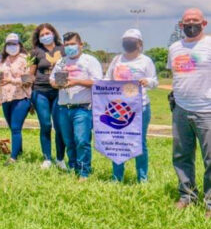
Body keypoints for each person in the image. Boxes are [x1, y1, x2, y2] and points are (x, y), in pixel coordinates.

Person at [167, 8, 211, 219]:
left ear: (204, 24)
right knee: (181, 155)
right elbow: (175, 76)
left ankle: (210, 202)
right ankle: (187, 195)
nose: (190, 24)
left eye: (195, 20)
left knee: (210, 158)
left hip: (207, 110)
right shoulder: (175, 48)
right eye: (187, 21)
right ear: (180, 24)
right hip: (181, 109)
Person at [105, 29, 158, 182]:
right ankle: (117, 177)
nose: (128, 43)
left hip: (139, 107)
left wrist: (147, 82)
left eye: (132, 40)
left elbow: (154, 81)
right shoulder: (117, 60)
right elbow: (107, 79)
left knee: (139, 142)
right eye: (125, 40)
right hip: (118, 108)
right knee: (118, 142)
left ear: (139, 44)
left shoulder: (146, 61)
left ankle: (142, 178)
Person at [50, 32, 102, 181]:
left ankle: (84, 172)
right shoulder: (61, 62)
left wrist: (76, 82)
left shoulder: (89, 61)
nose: (69, 47)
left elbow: (98, 81)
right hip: (63, 108)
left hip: (82, 108)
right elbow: (52, 80)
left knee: (81, 141)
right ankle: (73, 168)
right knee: (69, 141)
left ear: (81, 45)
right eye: (66, 45)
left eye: (72, 44)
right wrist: (57, 83)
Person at [29, 23, 67, 170]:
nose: (45, 36)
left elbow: (67, 68)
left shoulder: (63, 49)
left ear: (54, 33)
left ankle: (60, 158)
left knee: (59, 126)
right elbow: (31, 74)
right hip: (40, 91)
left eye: (47, 33)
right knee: (45, 124)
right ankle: (47, 158)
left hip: (59, 91)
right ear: (38, 38)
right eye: (42, 35)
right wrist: (27, 86)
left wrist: (63, 85)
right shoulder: (35, 52)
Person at [0, 33, 33, 165]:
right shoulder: (2, 61)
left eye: (14, 44)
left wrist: (11, 80)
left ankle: (13, 158)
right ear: (5, 46)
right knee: (12, 127)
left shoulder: (25, 59)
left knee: (16, 127)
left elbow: (28, 80)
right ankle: (19, 151)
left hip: (21, 97)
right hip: (6, 98)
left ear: (19, 45)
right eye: (9, 44)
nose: (11, 46)